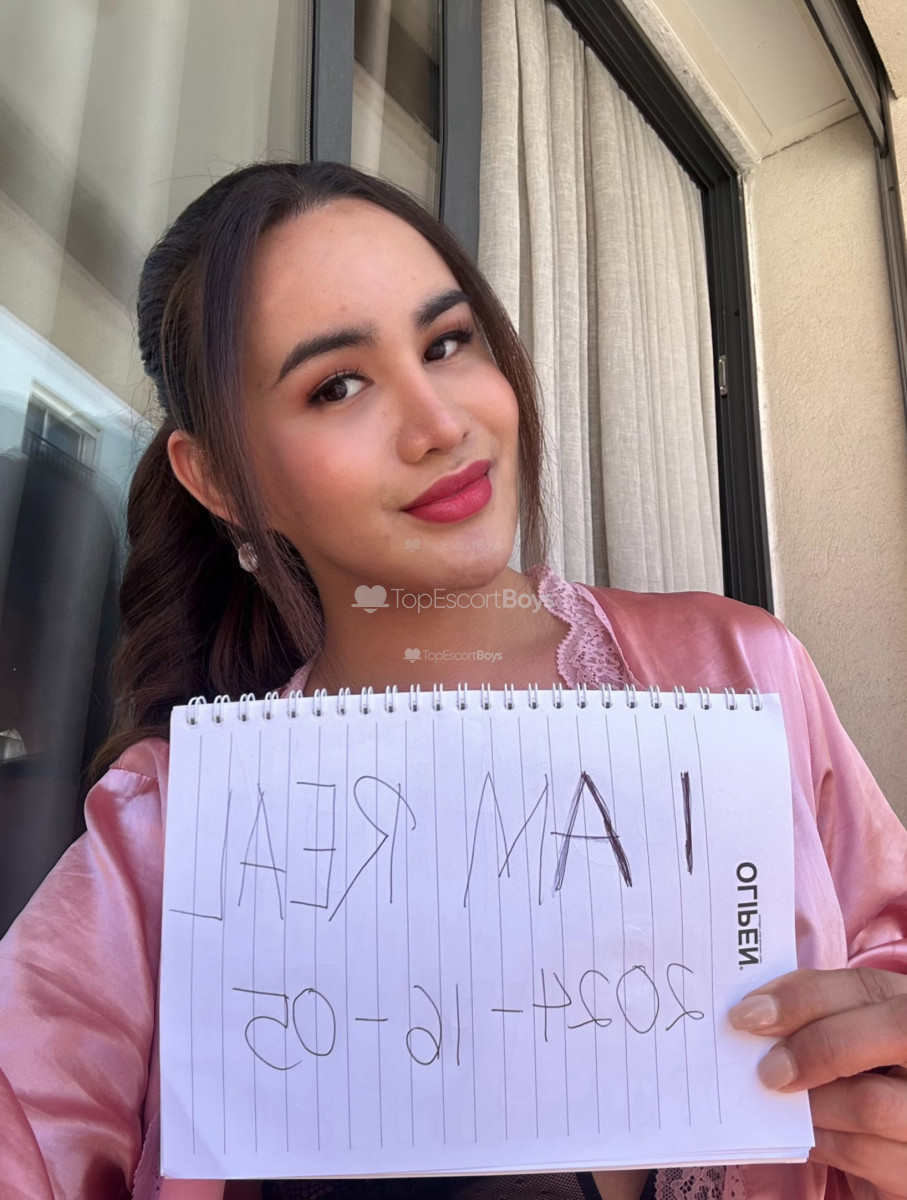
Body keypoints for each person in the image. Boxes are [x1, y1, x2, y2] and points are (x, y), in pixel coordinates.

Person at [1, 161, 906, 1200]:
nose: (438, 423)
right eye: (336, 385)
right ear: (218, 480)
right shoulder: (173, 832)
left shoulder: (738, 673)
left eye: (446, 343)